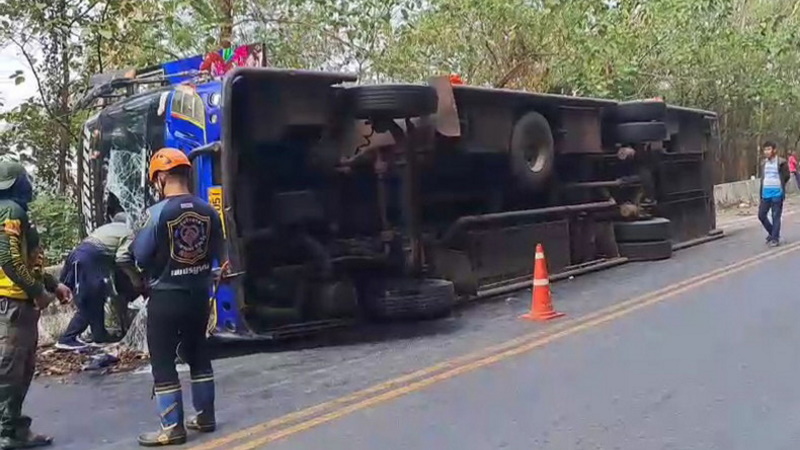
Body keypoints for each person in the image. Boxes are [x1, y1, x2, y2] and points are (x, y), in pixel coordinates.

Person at [132, 148, 225, 447]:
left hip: (166, 297)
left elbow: (140, 255)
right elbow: (218, 253)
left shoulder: (157, 214)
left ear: (159, 177)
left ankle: (172, 428)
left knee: (163, 361)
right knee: (198, 354)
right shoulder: (208, 210)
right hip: (199, 295)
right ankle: (205, 417)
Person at [0, 161, 72, 449]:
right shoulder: (10, 210)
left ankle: (14, 429)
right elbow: (8, 259)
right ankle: (6, 431)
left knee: (22, 369)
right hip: (12, 303)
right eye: (25, 179)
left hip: (19, 303)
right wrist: (38, 292)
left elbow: (29, 262)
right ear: (17, 182)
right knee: (10, 370)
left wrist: (54, 285)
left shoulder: (16, 212)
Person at [56, 212, 139, 350]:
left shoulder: (106, 229)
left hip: (76, 256)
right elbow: (122, 259)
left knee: (98, 297)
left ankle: (99, 335)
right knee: (89, 302)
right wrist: (135, 279)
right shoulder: (129, 233)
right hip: (89, 260)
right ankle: (67, 338)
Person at [757, 141, 790, 246]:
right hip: (765, 193)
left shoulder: (781, 162)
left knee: (775, 216)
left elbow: (787, 176)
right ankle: (773, 233)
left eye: (769, 149)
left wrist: (779, 185)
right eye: (765, 149)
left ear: (774, 150)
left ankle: (775, 239)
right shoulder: (763, 163)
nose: (766, 152)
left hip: (777, 193)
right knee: (761, 215)